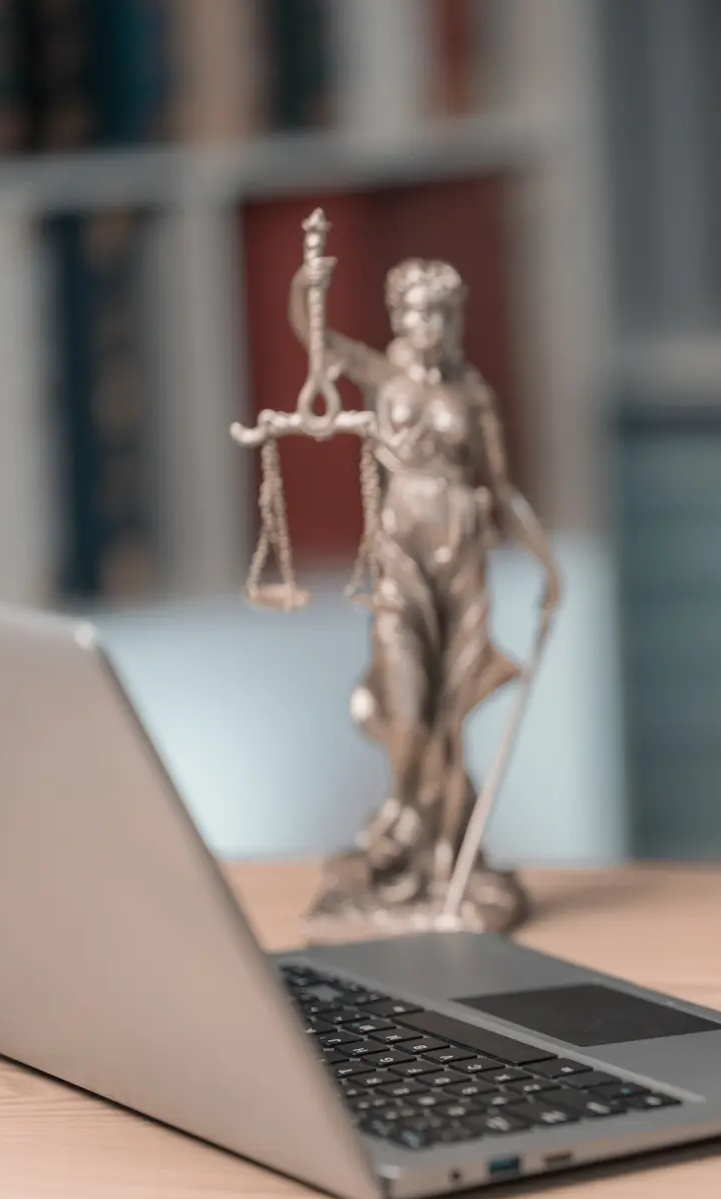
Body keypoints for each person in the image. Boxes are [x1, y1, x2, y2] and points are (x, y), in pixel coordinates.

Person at [289, 254, 561, 928]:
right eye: (413, 310)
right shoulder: (383, 376)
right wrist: (308, 283)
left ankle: (440, 852)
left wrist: (546, 563)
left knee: (451, 709)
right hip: (400, 562)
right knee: (406, 706)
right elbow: (315, 338)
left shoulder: (473, 396)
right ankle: (401, 820)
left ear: (456, 316)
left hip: (462, 557)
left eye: (439, 311)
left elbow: (500, 489)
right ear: (394, 315)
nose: (426, 324)